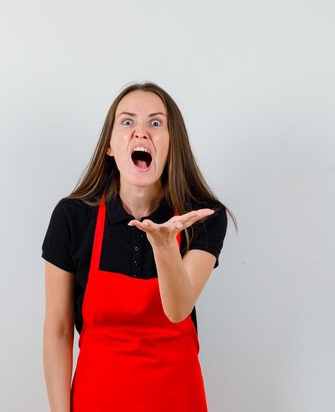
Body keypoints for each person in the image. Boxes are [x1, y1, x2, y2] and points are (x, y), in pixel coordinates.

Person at [41, 81, 238, 412]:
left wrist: (164, 247)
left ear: (173, 144)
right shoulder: (73, 217)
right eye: (127, 121)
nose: (141, 132)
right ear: (109, 146)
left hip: (178, 401)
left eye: (156, 123)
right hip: (96, 401)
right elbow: (58, 331)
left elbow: (177, 311)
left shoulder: (202, 217)